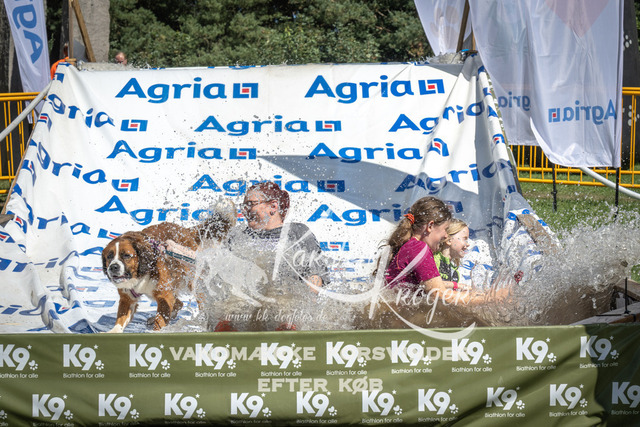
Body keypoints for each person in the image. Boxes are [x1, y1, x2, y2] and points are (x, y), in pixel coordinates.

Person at [217, 181, 330, 331]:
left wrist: (307, 304)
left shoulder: (297, 232)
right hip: (246, 304)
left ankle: (287, 329)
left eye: (250, 204)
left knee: (282, 292)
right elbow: (218, 269)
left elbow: (315, 274)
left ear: (273, 206)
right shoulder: (237, 235)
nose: (245, 210)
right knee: (236, 292)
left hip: (284, 304)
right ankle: (226, 327)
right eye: (244, 206)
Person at [434, 219, 469, 283]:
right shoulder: (434, 261)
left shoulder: (455, 273)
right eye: (464, 239)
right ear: (449, 240)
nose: (468, 244)